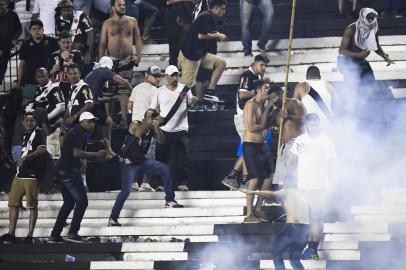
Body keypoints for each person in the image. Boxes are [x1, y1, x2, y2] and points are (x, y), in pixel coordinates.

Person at [108, 109, 184, 226]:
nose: (158, 122)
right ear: (150, 119)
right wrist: (148, 118)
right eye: (157, 119)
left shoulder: (151, 129)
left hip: (140, 161)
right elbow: (137, 134)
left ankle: (169, 200)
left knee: (165, 169)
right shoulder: (136, 124)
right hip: (128, 163)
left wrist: (156, 128)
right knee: (126, 192)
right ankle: (113, 218)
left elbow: (161, 140)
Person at [49, 112, 106, 243]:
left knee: (69, 203)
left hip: (63, 170)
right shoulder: (79, 132)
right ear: (82, 122)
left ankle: (55, 234)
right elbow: (77, 153)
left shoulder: (77, 131)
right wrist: (97, 154)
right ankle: (73, 233)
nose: (92, 124)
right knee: (82, 201)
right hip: (68, 171)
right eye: (90, 121)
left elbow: (72, 149)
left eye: (93, 121)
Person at [290, 114, 336, 260]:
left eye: (315, 124)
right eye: (310, 124)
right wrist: (290, 178)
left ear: (319, 124)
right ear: (306, 124)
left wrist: (332, 184)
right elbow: (293, 160)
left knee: (317, 218)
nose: (313, 127)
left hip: (320, 186)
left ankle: (313, 249)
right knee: (309, 218)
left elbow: (332, 165)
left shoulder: (327, 141)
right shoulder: (300, 140)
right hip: (303, 185)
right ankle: (310, 247)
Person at [222, 54, 270, 190]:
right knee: (250, 148)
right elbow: (242, 94)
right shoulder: (248, 75)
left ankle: (240, 179)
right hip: (244, 115)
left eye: (266, 65)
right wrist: (259, 91)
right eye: (262, 65)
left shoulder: (257, 77)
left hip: (249, 115)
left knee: (249, 148)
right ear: (254, 63)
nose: (264, 68)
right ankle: (236, 178)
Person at [241, 178, 310, 270]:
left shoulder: (288, 191)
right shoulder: (302, 196)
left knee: (276, 254)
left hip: (293, 228)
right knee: (295, 260)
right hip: (305, 230)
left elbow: (271, 194)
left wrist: (251, 192)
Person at [0, 112, 47, 244]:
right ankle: (11, 233)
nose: (29, 122)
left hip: (31, 175)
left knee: (32, 206)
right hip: (20, 174)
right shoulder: (24, 135)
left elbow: (43, 149)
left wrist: (26, 157)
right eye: (27, 120)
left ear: (35, 122)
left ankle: (29, 235)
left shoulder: (39, 133)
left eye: (32, 120)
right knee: (13, 203)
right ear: (23, 123)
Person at [150, 65, 198, 191]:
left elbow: (190, 102)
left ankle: (183, 182)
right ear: (166, 76)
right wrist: (155, 121)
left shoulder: (184, 89)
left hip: (181, 129)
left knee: (182, 157)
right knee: (161, 157)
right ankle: (160, 184)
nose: (174, 77)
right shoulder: (159, 91)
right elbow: (153, 109)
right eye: (171, 75)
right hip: (164, 129)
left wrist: (193, 101)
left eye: (176, 74)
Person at [99, 0, 143, 128]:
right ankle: (109, 120)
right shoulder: (107, 23)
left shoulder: (132, 21)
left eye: (124, 4)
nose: (123, 7)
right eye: (120, 5)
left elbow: (138, 39)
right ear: (113, 7)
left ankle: (124, 119)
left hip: (127, 60)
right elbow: (102, 43)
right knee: (108, 91)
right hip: (110, 61)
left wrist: (139, 55)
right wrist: (101, 61)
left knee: (124, 91)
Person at [178, 0, 227, 103]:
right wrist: (218, 35)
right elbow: (200, 36)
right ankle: (178, 103)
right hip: (189, 55)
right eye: (222, 9)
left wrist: (216, 33)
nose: (224, 11)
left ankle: (210, 91)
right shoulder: (206, 15)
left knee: (221, 63)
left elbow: (208, 32)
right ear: (216, 8)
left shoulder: (210, 17)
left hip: (200, 54)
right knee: (185, 87)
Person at [242, 79, 275, 223]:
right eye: (266, 88)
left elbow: (265, 124)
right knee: (254, 179)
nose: (268, 91)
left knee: (269, 176)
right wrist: (267, 115)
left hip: (262, 145)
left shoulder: (262, 105)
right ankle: (249, 214)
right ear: (258, 90)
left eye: (269, 88)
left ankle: (258, 208)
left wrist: (271, 115)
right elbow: (251, 127)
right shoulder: (250, 104)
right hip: (251, 145)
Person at [338, 8, 395, 88]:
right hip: (349, 63)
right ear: (362, 17)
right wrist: (358, 55)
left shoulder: (373, 29)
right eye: (369, 18)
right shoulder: (351, 29)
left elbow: (376, 46)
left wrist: (385, 57)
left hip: (361, 62)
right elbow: (341, 51)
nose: (371, 21)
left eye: (373, 19)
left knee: (371, 85)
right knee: (354, 88)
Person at [128, 65, 161, 192]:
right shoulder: (156, 91)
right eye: (155, 76)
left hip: (135, 125)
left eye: (159, 76)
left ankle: (134, 183)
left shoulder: (136, 88)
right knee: (149, 155)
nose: (158, 79)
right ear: (147, 75)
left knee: (134, 155)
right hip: (147, 126)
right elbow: (157, 110)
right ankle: (145, 184)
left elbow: (130, 106)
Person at [84, 56, 132, 142]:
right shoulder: (104, 70)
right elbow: (125, 82)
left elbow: (100, 96)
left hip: (87, 103)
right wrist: (133, 93)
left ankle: (103, 144)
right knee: (109, 122)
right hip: (90, 105)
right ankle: (108, 146)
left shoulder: (94, 72)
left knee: (106, 122)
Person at [270, 87, 306, 187]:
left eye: (274, 98)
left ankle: (296, 201)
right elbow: (271, 126)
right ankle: (284, 201)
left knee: (293, 178)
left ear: (281, 95)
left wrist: (289, 116)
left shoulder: (294, 103)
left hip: (296, 145)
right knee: (281, 181)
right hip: (283, 146)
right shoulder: (275, 110)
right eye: (270, 99)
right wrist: (274, 129)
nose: (273, 101)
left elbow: (305, 120)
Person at [17, 20, 59, 91]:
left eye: (39, 28)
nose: (37, 31)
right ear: (30, 31)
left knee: (49, 101)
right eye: (34, 29)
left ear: (43, 30)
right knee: (27, 101)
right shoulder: (26, 45)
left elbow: (58, 60)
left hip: (49, 80)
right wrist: (19, 81)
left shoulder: (52, 42)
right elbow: (21, 65)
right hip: (30, 81)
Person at [293, 66, 334, 131]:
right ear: (320, 76)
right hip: (328, 126)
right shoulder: (329, 86)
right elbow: (337, 106)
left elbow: (294, 107)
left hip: (310, 127)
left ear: (306, 76)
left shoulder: (301, 86)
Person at [55, 0, 94, 67]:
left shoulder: (81, 15)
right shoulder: (58, 21)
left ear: (72, 8)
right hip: (67, 55)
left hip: (83, 53)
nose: (67, 13)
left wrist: (88, 53)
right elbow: (60, 40)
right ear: (60, 11)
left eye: (69, 10)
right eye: (64, 10)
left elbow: (90, 34)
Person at [48, 30, 84, 101]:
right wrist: (52, 70)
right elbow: (46, 76)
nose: (66, 45)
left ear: (71, 42)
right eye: (63, 42)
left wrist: (68, 60)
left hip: (74, 90)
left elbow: (82, 71)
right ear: (59, 43)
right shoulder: (53, 55)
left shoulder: (77, 54)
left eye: (68, 42)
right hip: (57, 91)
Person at [165, 0, 195, 66]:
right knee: (173, 47)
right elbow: (169, 2)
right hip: (173, 17)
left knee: (186, 43)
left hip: (185, 15)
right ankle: (173, 70)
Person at [64, 63, 93, 128]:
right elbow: (69, 107)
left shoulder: (84, 87)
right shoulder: (71, 89)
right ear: (67, 76)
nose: (73, 76)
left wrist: (74, 116)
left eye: (75, 73)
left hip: (81, 123)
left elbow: (89, 104)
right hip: (73, 123)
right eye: (70, 74)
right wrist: (64, 122)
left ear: (79, 73)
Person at [0, 0, 21, 83]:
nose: (0, 7)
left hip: (7, 46)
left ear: (7, 5)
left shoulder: (13, 15)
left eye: (2, 4)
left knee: (3, 66)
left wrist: (14, 40)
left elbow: (19, 28)